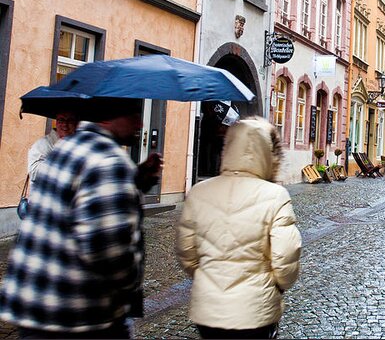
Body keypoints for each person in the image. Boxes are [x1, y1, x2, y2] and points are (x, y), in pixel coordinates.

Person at [0, 97, 162, 338]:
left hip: (34, 303)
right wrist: (131, 282)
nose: (139, 125)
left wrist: (136, 179)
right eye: (133, 117)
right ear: (109, 117)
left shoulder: (66, 148)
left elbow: (77, 200)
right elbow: (108, 251)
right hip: (77, 315)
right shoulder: (108, 161)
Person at [176, 117, 301, 339]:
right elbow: (286, 259)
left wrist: (208, 278)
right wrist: (275, 286)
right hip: (254, 311)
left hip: (209, 310)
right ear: (267, 153)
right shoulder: (275, 196)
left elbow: (187, 253)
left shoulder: (199, 192)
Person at [26, 110, 78, 199]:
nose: (65, 124)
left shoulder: (78, 144)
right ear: (56, 122)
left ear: (76, 124)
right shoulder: (43, 144)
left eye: (70, 121)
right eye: (61, 120)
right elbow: (34, 172)